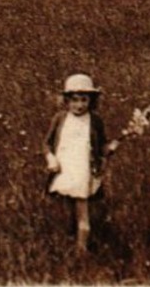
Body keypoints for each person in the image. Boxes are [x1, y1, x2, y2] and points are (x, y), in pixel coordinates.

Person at [43, 73, 115, 252]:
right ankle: (65, 235)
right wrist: (50, 158)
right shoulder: (60, 118)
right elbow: (47, 143)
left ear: (91, 101)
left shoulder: (95, 121)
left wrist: (110, 148)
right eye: (74, 100)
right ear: (66, 100)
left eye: (84, 100)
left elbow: (102, 147)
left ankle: (81, 248)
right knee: (64, 203)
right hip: (63, 168)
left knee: (82, 208)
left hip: (83, 170)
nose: (79, 105)